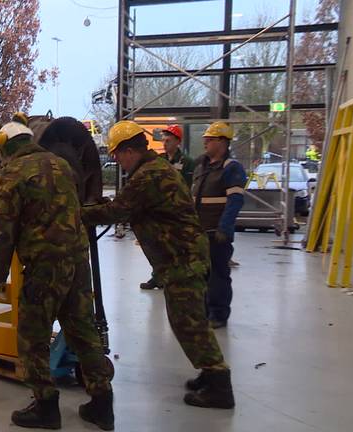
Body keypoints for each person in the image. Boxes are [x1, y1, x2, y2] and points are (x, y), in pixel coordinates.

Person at [82, 120, 234, 409]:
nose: (116, 159)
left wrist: (77, 213)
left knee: (188, 323)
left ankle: (219, 383)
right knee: (187, 321)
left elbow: (119, 210)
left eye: (117, 153)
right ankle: (210, 374)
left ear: (129, 151)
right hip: (180, 257)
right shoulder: (152, 170)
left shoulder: (148, 175)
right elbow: (124, 204)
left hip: (183, 259)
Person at [0, 114, 115, 430]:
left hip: (45, 266)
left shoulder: (13, 173)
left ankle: (45, 406)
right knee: (82, 330)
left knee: (33, 335)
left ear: (6, 147)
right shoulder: (61, 164)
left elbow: (4, 231)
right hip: (77, 260)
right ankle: (102, 403)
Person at [191, 122, 246, 329]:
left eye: (210, 139)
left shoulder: (231, 168)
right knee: (200, 274)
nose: (205, 142)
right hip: (198, 232)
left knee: (218, 276)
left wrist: (224, 228)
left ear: (222, 142)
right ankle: (204, 311)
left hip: (216, 233)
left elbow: (234, 202)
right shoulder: (202, 166)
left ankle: (219, 314)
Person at [141, 124, 195, 290]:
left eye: (169, 140)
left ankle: (172, 276)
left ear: (178, 142)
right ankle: (157, 276)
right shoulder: (160, 160)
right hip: (160, 209)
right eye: (164, 140)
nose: (165, 144)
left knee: (174, 245)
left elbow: (187, 186)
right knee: (157, 245)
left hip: (177, 210)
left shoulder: (187, 162)